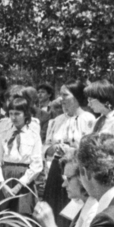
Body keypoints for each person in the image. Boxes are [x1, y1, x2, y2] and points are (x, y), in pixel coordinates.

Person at [43, 83, 96, 214]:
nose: (61, 99)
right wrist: (54, 148)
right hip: (56, 169)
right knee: (54, 208)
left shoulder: (88, 119)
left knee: (73, 211)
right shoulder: (57, 120)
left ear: (76, 96)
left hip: (76, 170)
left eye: (65, 95)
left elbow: (91, 148)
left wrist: (71, 151)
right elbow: (45, 147)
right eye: (60, 95)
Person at [0, 93, 44, 216]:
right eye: (11, 114)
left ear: (26, 114)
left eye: (18, 114)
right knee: (2, 218)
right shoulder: (3, 133)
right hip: (4, 178)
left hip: (24, 180)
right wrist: (2, 184)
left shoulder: (34, 135)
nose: (14, 117)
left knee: (22, 218)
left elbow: (37, 164)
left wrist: (19, 185)